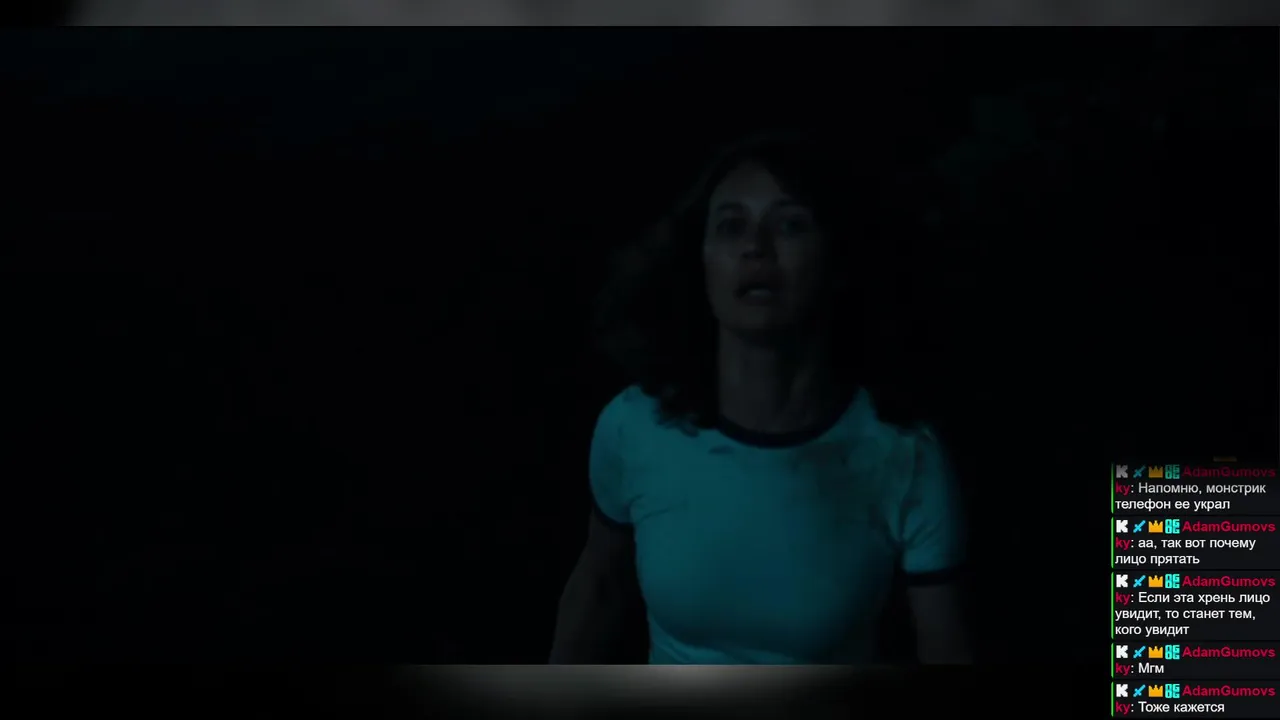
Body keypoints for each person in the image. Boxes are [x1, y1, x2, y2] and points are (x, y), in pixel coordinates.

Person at [549, 132, 971, 665]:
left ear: (837, 260)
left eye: (790, 225)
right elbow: (599, 586)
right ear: (700, 261)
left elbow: (944, 648)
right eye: (731, 226)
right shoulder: (634, 425)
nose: (756, 247)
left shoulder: (904, 455)